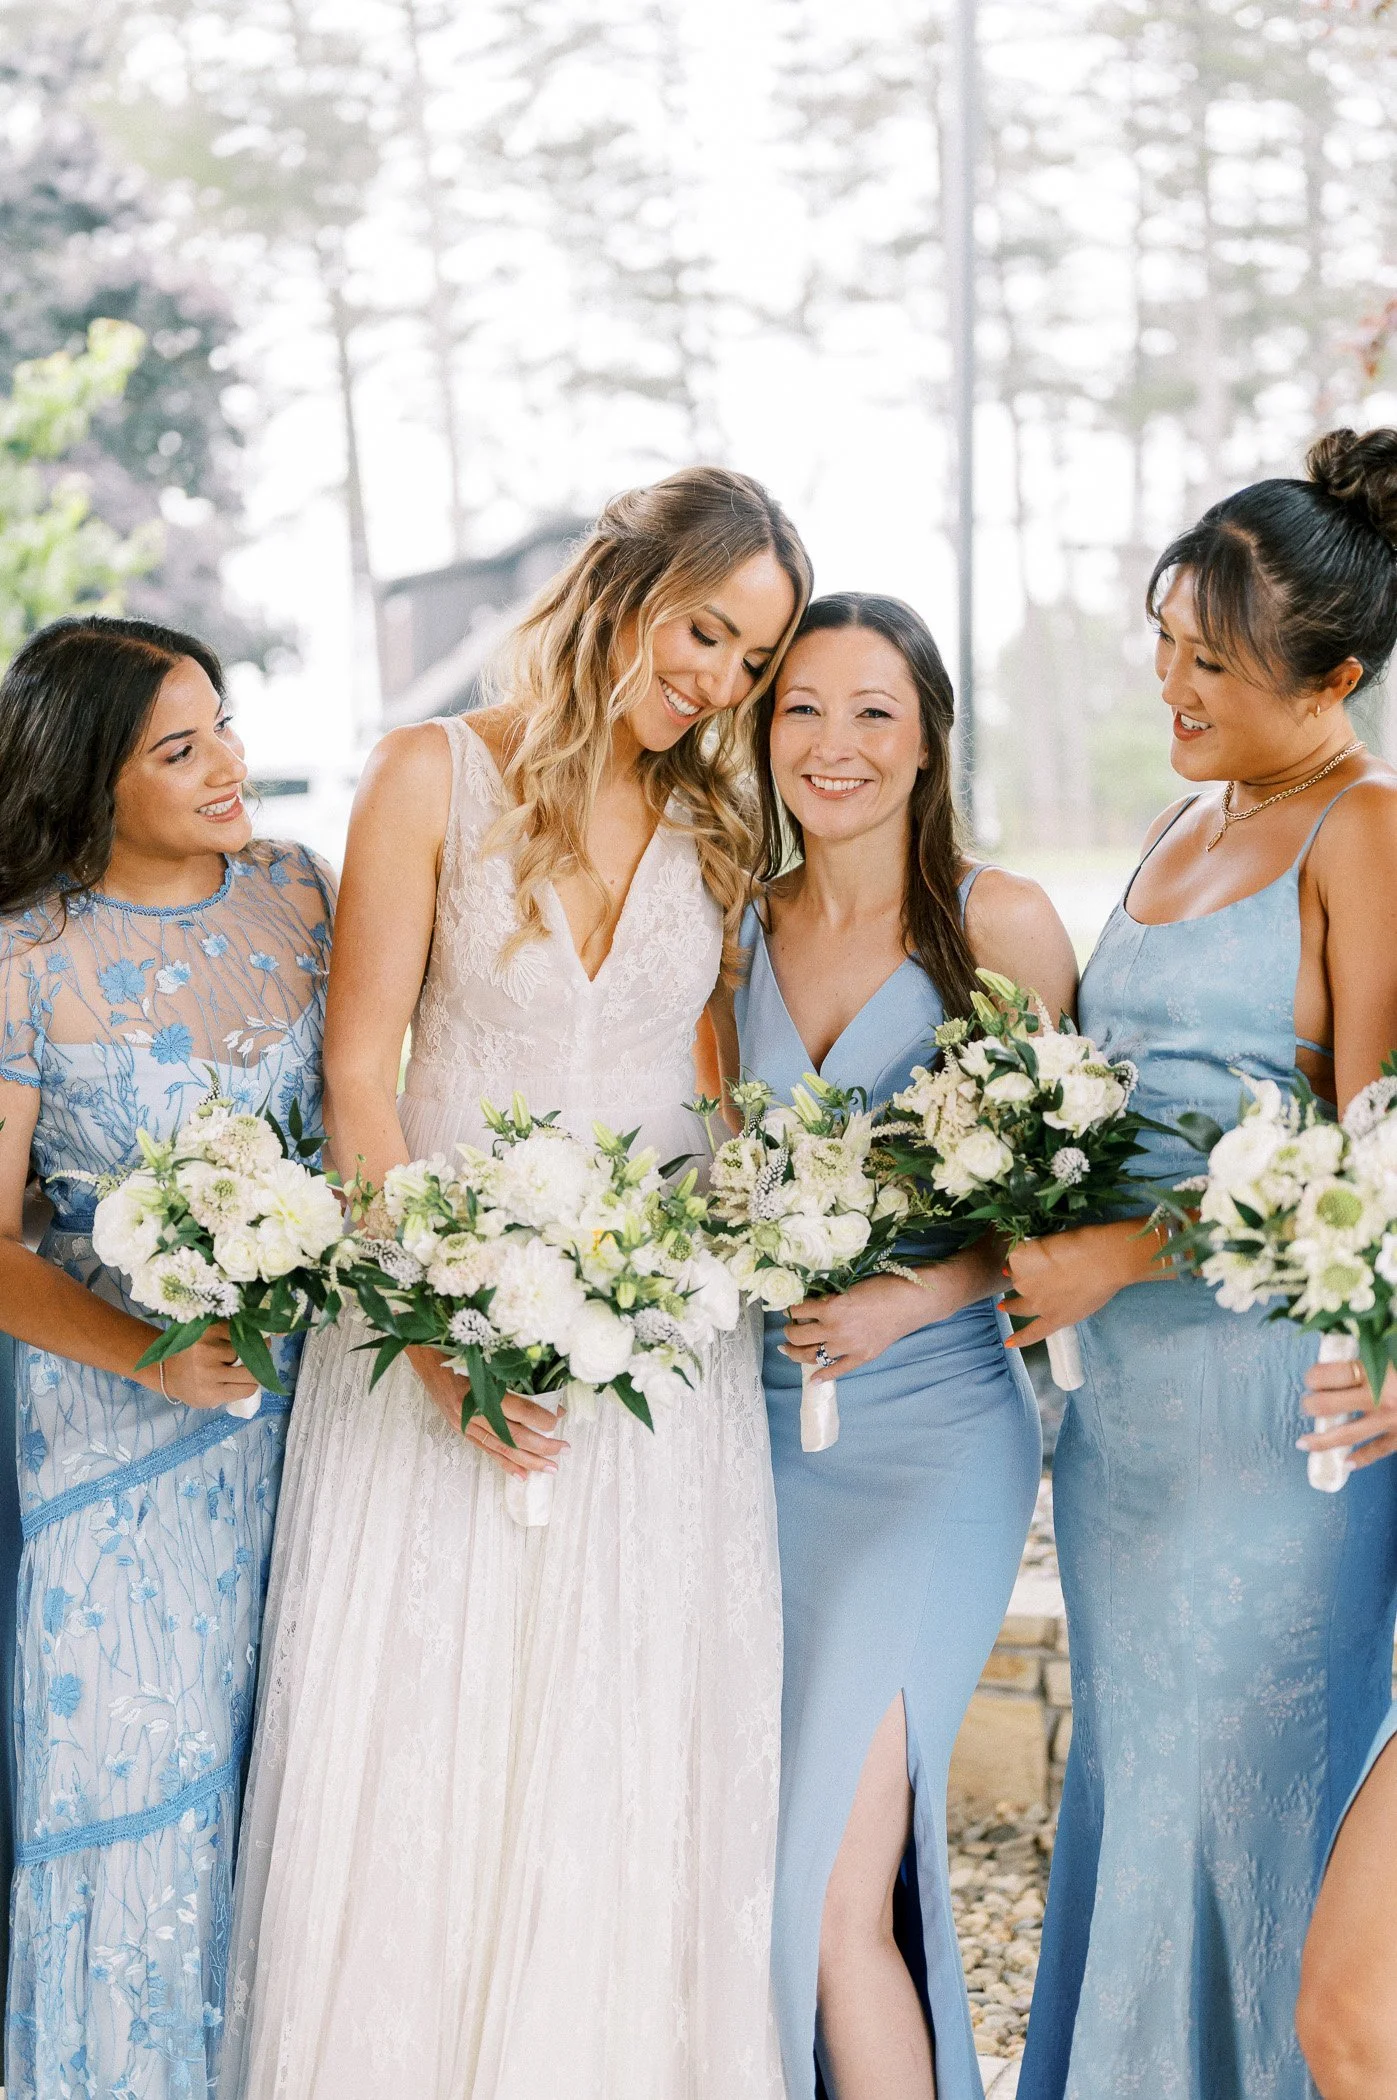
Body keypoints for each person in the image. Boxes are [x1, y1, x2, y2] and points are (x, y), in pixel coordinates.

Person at [217, 468, 812, 2100]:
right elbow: (360, 1073)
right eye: (706, 631)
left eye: (752, 660)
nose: (720, 681)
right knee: (435, 1738)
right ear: (623, 588)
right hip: (438, 1332)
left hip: (658, 1368)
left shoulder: (719, 825)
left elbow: (712, 1088)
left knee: (623, 1749)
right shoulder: (430, 774)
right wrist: (436, 1338)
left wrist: (739, 1245)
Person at [1005, 429, 1397, 2100]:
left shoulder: (1364, 831)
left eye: (1213, 664)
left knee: (1252, 1792)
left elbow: (1376, 1163)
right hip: (1126, 1429)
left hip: (1276, 1419)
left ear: (1337, 680)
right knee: (1145, 1786)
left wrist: (1125, 1251)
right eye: (1164, 642)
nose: (1170, 684)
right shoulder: (1184, 817)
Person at [732, 593, 1076, 2100]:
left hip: (932, 1442)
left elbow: (1067, 1202)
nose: (837, 744)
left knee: (831, 1887)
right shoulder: (731, 927)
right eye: (802, 708)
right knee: (763, 1870)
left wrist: (916, 1296)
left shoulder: (999, 925)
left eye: (875, 711)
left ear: (930, 736)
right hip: (749, 1445)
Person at [0, 616, 335, 2100]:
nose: (227, 768)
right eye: (180, 749)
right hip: (111, 1448)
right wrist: (151, 1356)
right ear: (90, 777)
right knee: (133, 1796)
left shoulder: (298, 892)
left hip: (312, 1421)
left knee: (292, 1796)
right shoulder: (22, 957)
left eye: (225, 728)